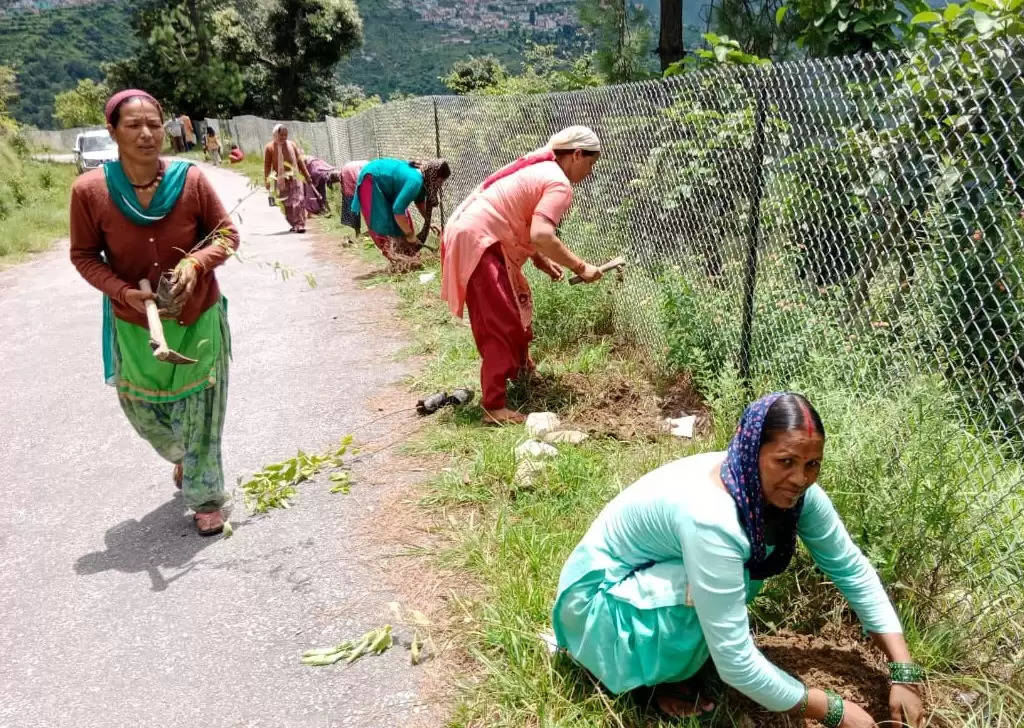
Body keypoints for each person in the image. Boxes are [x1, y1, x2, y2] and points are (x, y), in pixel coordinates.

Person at [553, 393, 928, 726]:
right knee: (712, 579)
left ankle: (670, 657)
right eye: (786, 461)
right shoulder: (711, 516)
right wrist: (834, 710)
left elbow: (851, 568)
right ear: (752, 449)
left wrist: (903, 672)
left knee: (733, 576)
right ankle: (648, 683)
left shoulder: (787, 493)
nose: (800, 478)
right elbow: (736, 663)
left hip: (631, 589)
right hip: (595, 608)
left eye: (813, 464)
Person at [68, 89, 240, 536]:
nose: (146, 134)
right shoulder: (90, 191)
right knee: (141, 408)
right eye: (133, 126)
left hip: (197, 314)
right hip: (135, 322)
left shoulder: (191, 180)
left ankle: (206, 498)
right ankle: (183, 457)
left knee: (202, 408)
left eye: (154, 124)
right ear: (113, 132)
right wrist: (121, 292)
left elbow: (225, 234)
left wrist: (194, 263)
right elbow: (84, 255)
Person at [439, 126, 606, 425]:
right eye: (590, 164)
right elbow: (541, 233)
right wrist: (581, 267)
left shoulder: (543, 168)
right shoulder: (559, 183)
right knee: (499, 322)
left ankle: (520, 371)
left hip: (480, 236)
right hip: (480, 241)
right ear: (577, 154)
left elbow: (520, 217)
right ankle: (494, 406)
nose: (589, 172)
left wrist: (538, 259)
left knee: (514, 308)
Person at [350, 156, 450, 270]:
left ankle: (403, 258)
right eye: (441, 182)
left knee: (401, 225)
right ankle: (398, 260)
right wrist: (410, 235)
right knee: (384, 224)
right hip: (371, 179)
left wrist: (429, 222)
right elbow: (398, 211)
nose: (440, 185)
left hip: (383, 183)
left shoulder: (424, 179)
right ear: (434, 176)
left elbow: (420, 202)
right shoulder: (415, 181)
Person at [262, 124, 313, 233]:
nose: (284, 137)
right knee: (287, 204)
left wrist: (307, 175)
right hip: (281, 179)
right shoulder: (270, 147)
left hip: (295, 177)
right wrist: (267, 180)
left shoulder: (292, 145)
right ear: (276, 134)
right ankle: (294, 223)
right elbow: (267, 166)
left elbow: (299, 161)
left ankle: (300, 224)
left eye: (286, 135)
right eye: (281, 135)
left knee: (298, 200)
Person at [339, 159, 368, 237]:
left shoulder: (367, 165)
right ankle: (359, 232)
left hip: (346, 171)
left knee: (352, 203)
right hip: (352, 174)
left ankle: (358, 232)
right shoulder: (369, 166)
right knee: (354, 204)